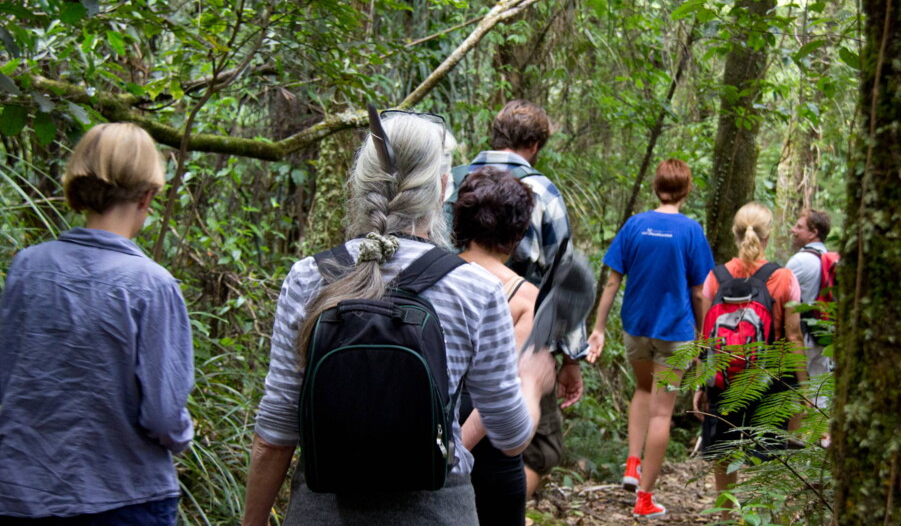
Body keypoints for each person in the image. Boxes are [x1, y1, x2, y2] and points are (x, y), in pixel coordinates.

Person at [242, 110, 556, 526]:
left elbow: (275, 435)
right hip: (439, 513)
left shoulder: (307, 278)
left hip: (322, 513)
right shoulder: (475, 290)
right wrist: (531, 382)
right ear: (443, 188)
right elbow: (510, 437)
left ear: (359, 185)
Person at [0, 123, 194, 524]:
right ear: (147, 197)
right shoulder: (151, 286)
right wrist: (182, 436)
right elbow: (162, 417)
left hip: (21, 494)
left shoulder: (27, 268)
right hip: (124, 499)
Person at [449, 100, 584, 497]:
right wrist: (570, 360)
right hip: (520, 335)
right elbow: (564, 277)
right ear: (535, 145)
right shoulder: (542, 190)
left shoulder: (449, 180)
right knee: (537, 445)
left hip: (444, 335)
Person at [586, 159, 713, 518]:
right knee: (662, 412)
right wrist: (704, 338)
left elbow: (612, 282)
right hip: (675, 332)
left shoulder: (635, 224)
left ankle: (632, 464)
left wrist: (598, 328)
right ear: (686, 190)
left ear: (656, 186)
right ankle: (644, 499)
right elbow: (699, 292)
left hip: (636, 327)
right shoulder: (691, 231)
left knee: (642, 390)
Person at [692, 202, 806, 515]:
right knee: (773, 455)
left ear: (735, 233)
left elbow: (706, 338)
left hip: (724, 377)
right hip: (770, 380)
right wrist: (805, 387)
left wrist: (701, 383)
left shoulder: (714, 278)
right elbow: (794, 337)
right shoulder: (784, 278)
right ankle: (767, 516)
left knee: (724, 454)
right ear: (769, 235)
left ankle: (727, 517)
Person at [452, 166, 541, 525]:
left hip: (431, 434)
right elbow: (501, 394)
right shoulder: (524, 297)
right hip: (488, 452)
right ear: (517, 232)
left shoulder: (433, 277)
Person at [786, 209, 833, 378]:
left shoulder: (801, 260)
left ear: (814, 233)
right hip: (823, 335)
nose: (793, 230)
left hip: (802, 336)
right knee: (818, 390)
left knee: (795, 392)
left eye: (799, 227)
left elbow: (778, 293)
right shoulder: (827, 257)